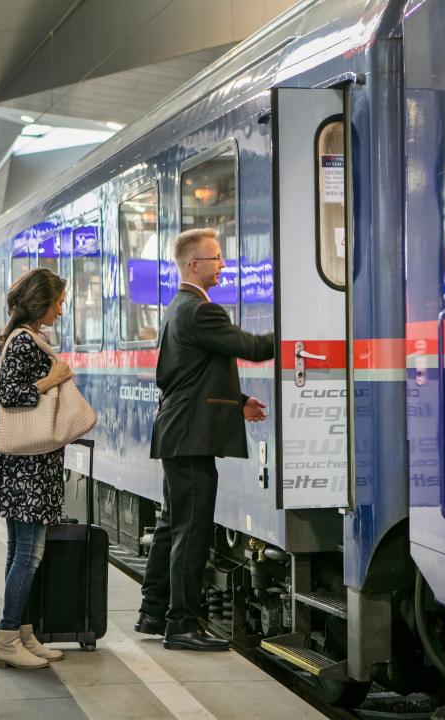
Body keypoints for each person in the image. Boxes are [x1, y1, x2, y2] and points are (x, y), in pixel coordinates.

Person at [136, 228, 274, 652]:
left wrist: (237, 402)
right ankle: (181, 625)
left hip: (181, 431)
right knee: (190, 533)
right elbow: (250, 347)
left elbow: (192, 376)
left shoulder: (181, 307)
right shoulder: (200, 311)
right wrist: (297, 336)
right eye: (217, 258)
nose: (224, 265)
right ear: (194, 265)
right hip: (190, 436)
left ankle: (154, 610)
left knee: (171, 525)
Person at [0, 268, 73, 670]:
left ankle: (24, 633)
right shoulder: (23, 343)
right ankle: (7, 635)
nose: (61, 310)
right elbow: (12, 395)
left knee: (20, 550)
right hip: (25, 468)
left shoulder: (21, 339)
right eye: (59, 302)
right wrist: (54, 378)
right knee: (28, 554)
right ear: (41, 303)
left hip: (24, 464)